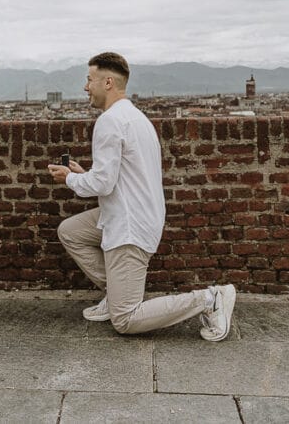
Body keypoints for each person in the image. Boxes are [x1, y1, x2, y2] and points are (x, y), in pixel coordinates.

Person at [48, 52, 236, 339]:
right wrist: (85, 173)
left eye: (89, 80)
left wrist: (70, 178)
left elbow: (103, 184)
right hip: (136, 212)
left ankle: (209, 299)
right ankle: (115, 293)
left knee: (126, 320)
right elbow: (119, 175)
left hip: (129, 225)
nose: (86, 87)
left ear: (108, 82)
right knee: (71, 231)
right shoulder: (136, 117)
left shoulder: (109, 121)